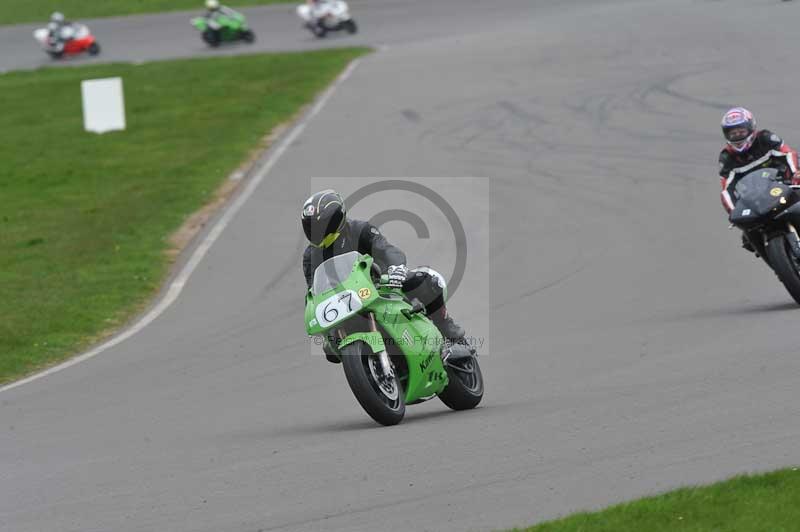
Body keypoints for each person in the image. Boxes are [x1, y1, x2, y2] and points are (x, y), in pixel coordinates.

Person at [301, 190, 466, 363]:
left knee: (424, 280)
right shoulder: (310, 256)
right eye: (311, 227)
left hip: (379, 287)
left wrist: (396, 268)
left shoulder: (360, 230)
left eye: (320, 226)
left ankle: (447, 328)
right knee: (331, 347)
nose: (316, 231)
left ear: (337, 219)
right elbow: (313, 290)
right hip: (343, 305)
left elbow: (386, 250)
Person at [718, 107, 800, 252]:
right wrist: (733, 211)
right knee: (747, 239)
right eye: (733, 133)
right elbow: (727, 189)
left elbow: (788, 154)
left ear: (751, 129)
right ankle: (779, 265)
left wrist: (795, 173)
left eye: (741, 131)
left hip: (784, 184)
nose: (738, 136)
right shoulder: (726, 157)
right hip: (756, 200)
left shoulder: (765, 138)